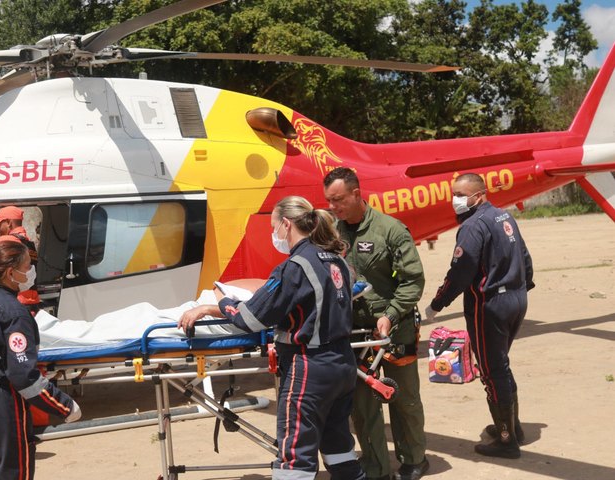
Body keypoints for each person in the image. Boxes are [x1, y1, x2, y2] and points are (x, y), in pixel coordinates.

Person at [179, 196, 365, 480]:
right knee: (339, 445)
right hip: (343, 364)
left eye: (273, 226)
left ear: (286, 225)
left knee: (296, 456)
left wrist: (217, 304)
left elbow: (253, 318)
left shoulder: (295, 267)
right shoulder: (337, 260)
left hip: (310, 368)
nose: (273, 233)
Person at [323, 167, 428, 480]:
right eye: (329, 200)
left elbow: (412, 280)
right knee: (363, 403)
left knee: (403, 397)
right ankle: (376, 468)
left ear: (357, 193)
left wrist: (392, 313)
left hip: (394, 329)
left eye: (339, 199)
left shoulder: (390, 230)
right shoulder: (332, 233)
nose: (333, 206)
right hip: (355, 333)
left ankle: (414, 460)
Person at [425, 173, 534, 459]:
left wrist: (437, 303)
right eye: (454, 194)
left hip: (490, 305)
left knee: (491, 370)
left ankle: (506, 439)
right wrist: (523, 287)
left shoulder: (473, 226)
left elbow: (461, 272)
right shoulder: (503, 216)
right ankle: (512, 427)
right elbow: (523, 256)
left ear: (479, 195)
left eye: (462, 194)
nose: (456, 200)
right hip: (516, 298)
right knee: (501, 364)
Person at [0, 241, 81, 479]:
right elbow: (23, 376)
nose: (31, 270)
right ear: (11, 273)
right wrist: (64, 406)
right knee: (11, 472)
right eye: (27, 265)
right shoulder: (13, 311)